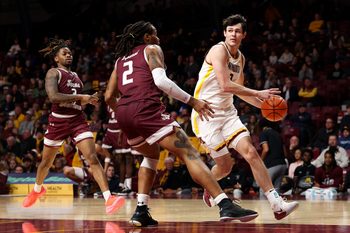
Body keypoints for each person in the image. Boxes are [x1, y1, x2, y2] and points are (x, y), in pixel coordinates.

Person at [105, 20, 259, 227]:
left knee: (150, 156)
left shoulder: (120, 60)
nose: (158, 38)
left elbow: (108, 97)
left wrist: (127, 112)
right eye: (155, 34)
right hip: (144, 108)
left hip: (123, 113)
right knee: (189, 153)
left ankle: (141, 210)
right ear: (147, 37)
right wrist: (192, 101)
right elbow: (160, 81)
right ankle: (224, 204)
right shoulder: (151, 49)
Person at [190, 14, 298, 220]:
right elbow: (225, 85)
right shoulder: (218, 50)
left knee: (251, 152)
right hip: (206, 114)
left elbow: (238, 92)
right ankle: (210, 186)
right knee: (225, 166)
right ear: (224, 33)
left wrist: (265, 107)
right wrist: (259, 93)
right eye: (230, 30)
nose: (233, 34)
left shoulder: (240, 58)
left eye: (237, 31)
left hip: (228, 113)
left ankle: (277, 205)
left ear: (244, 35)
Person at [22, 39, 125, 214]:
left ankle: (109, 198)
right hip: (58, 122)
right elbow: (54, 97)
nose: (69, 55)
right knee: (45, 163)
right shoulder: (53, 73)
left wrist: (88, 100)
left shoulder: (76, 76)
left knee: (92, 158)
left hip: (78, 121)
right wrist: (80, 97)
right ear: (56, 58)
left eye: (70, 53)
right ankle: (37, 189)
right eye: (64, 53)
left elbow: (77, 100)